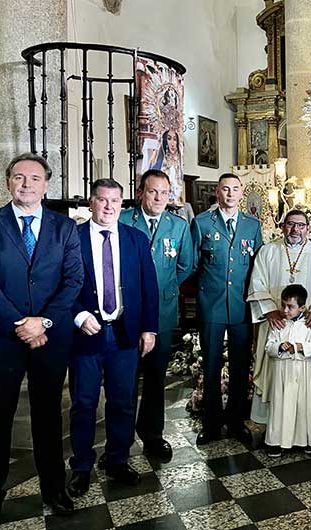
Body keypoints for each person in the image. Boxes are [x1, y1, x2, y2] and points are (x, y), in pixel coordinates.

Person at [0, 153, 84, 528]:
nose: (27, 184)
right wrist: (21, 324)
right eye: (19, 178)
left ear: (46, 184)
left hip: (50, 338)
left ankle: (54, 490)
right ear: (8, 183)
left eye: (35, 178)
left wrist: (43, 322)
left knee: (49, 418)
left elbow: (73, 280)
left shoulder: (64, 228)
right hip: (2, 339)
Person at [67, 179, 159, 498]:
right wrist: (78, 315)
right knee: (84, 403)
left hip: (124, 334)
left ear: (123, 204)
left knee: (122, 401)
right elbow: (60, 285)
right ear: (91, 203)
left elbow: (149, 288)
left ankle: (118, 460)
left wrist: (149, 328)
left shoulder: (136, 239)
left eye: (115, 201)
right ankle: (80, 466)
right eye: (102, 200)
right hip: (86, 335)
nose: (109, 207)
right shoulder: (73, 239)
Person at [119, 169, 194, 461]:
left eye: (164, 193)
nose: (159, 198)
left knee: (155, 378)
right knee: (124, 380)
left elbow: (185, 264)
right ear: (141, 193)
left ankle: (152, 436)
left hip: (162, 311)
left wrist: (163, 288)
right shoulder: (124, 220)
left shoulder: (178, 226)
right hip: (127, 311)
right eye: (152, 192)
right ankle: (120, 442)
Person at [191, 173, 264, 444]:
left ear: (241, 193)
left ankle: (235, 422)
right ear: (218, 192)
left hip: (240, 305)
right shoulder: (201, 223)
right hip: (211, 304)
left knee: (240, 364)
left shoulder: (252, 225)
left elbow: (259, 265)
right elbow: (193, 264)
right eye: (225, 189)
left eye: (235, 189)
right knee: (210, 365)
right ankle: (211, 424)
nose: (230, 194)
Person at [247, 210, 311, 426]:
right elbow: (257, 282)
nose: (295, 230)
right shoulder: (268, 251)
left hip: (306, 326)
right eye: (291, 224)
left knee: (306, 371)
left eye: (301, 225)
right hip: (275, 323)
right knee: (273, 368)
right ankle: (272, 420)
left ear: (308, 227)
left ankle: (306, 421)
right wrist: (269, 310)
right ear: (283, 225)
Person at [264, 284, 311, 456]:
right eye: (283, 305)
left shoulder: (310, 325)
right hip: (282, 370)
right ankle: (277, 441)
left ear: (302, 307)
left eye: (290, 307)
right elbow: (269, 347)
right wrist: (279, 347)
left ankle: (307, 439)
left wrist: (300, 346)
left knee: (304, 405)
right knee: (280, 405)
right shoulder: (278, 324)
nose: (285, 310)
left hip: (302, 371)